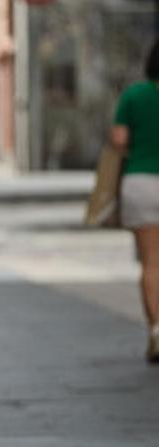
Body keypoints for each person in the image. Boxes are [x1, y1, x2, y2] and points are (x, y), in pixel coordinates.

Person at [110, 39, 159, 363]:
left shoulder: (135, 94)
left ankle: (157, 331)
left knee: (152, 263)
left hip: (140, 183)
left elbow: (119, 140)